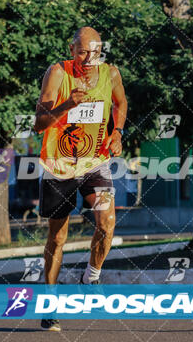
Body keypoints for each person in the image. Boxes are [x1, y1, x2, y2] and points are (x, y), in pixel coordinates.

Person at [33, 27, 128, 331]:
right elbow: (39, 123)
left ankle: (92, 277)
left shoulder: (110, 74)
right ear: (72, 49)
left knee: (107, 223)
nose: (89, 58)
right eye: (83, 51)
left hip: (94, 164)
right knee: (57, 237)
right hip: (59, 166)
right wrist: (68, 104)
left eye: (95, 52)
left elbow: (120, 104)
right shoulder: (57, 73)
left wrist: (117, 132)